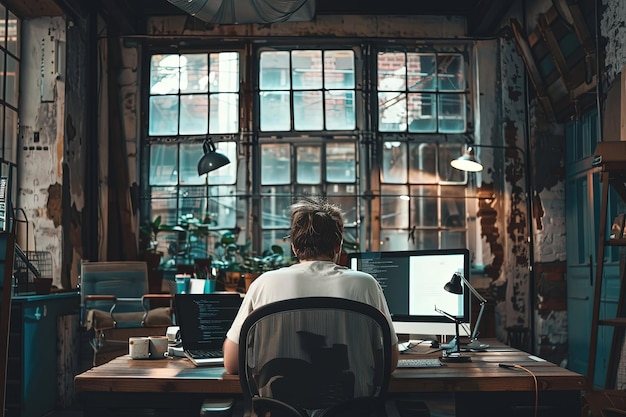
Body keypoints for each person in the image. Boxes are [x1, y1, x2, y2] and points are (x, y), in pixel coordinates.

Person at [222, 196, 399, 374]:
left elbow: (232, 363)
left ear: (293, 247)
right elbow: (390, 363)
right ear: (338, 246)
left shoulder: (264, 284)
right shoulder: (365, 284)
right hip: (354, 401)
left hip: (278, 401)